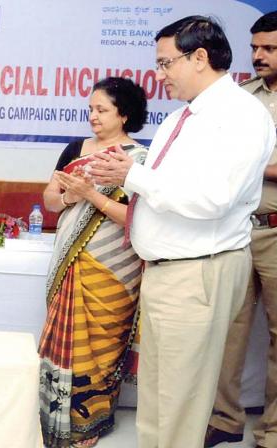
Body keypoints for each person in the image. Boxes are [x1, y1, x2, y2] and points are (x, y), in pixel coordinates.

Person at [89, 16, 275, 448]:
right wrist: (123, 175)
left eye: (165, 63)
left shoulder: (241, 115)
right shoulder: (181, 118)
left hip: (197, 271)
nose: (159, 74)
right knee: (156, 400)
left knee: (179, 405)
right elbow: (158, 188)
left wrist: (134, 175)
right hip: (166, 269)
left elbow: (214, 199)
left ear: (200, 58)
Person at [38, 77, 148, 448]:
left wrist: (89, 195)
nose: (93, 117)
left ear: (125, 114)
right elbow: (50, 201)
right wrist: (71, 195)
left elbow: (137, 218)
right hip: (71, 259)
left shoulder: (138, 160)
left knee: (101, 346)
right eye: (90, 109)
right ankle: (52, 420)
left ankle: (90, 425)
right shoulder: (75, 149)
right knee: (65, 342)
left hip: (115, 268)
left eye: (102, 110)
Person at [205, 11, 277, 448]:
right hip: (234, 228)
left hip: (275, 229)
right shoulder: (241, 96)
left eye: (269, 48)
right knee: (227, 327)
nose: (258, 56)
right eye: (254, 48)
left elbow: (236, 162)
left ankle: (272, 431)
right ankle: (225, 419)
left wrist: (249, 166)